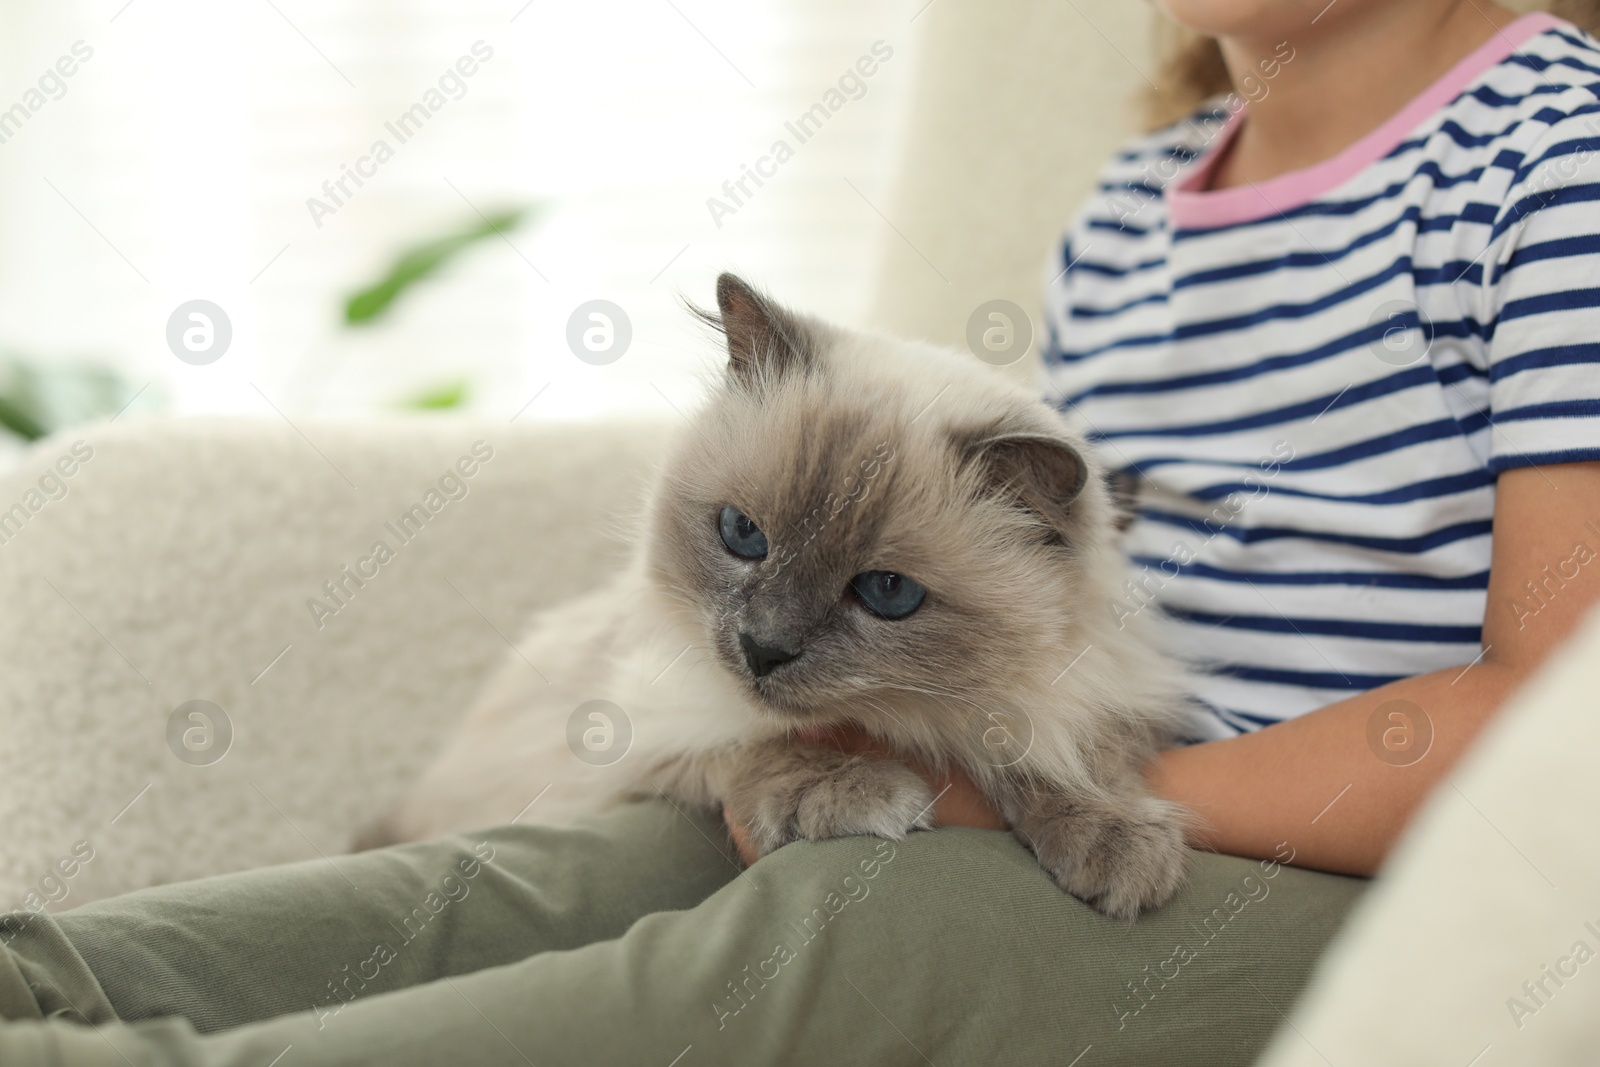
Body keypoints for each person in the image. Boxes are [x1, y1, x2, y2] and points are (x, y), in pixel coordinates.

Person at [4, 2, 1598, 1064]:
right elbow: (1052, 607)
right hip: (1079, 796)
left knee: (837, 929)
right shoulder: (1139, 202)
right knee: (583, 869)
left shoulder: (1555, 162)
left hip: (1361, 909)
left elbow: (1554, 725)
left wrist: (1066, 806)